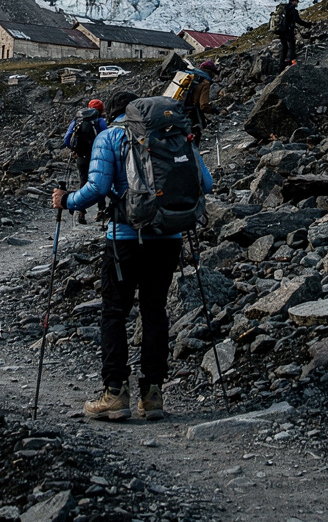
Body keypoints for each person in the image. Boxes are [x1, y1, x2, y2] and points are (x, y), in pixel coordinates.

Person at [53, 95, 214, 422]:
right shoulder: (173, 134)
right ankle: (152, 394)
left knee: (114, 311)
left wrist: (67, 200)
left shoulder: (110, 136)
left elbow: (97, 188)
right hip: (168, 236)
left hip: (125, 239)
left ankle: (115, 393)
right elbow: (206, 183)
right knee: (154, 310)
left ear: (113, 115)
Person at [63, 100, 109, 225]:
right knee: (100, 181)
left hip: (81, 157)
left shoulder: (78, 120)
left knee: (83, 182)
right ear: (101, 110)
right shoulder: (100, 121)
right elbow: (106, 138)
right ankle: (101, 210)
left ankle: (81, 212)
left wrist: (75, 149)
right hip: (97, 156)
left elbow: (66, 139)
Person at [165, 60, 217, 144]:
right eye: (214, 73)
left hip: (181, 110)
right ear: (210, 71)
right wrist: (214, 110)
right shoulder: (205, 83)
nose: (214, 75)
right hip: (192, 114)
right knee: (193, 137)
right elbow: (203, 106)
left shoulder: (192, 77)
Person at [275, 0, 301, 66]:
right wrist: (308, 24)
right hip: (288, 30)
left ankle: (282, 62)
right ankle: (291, 61)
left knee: (285, 46)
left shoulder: (284, 9)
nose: (297, 3)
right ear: (294, 2)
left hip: (281, 30)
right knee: (292, 44)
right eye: (296, 2)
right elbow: (299, 21)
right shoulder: (293, 11)